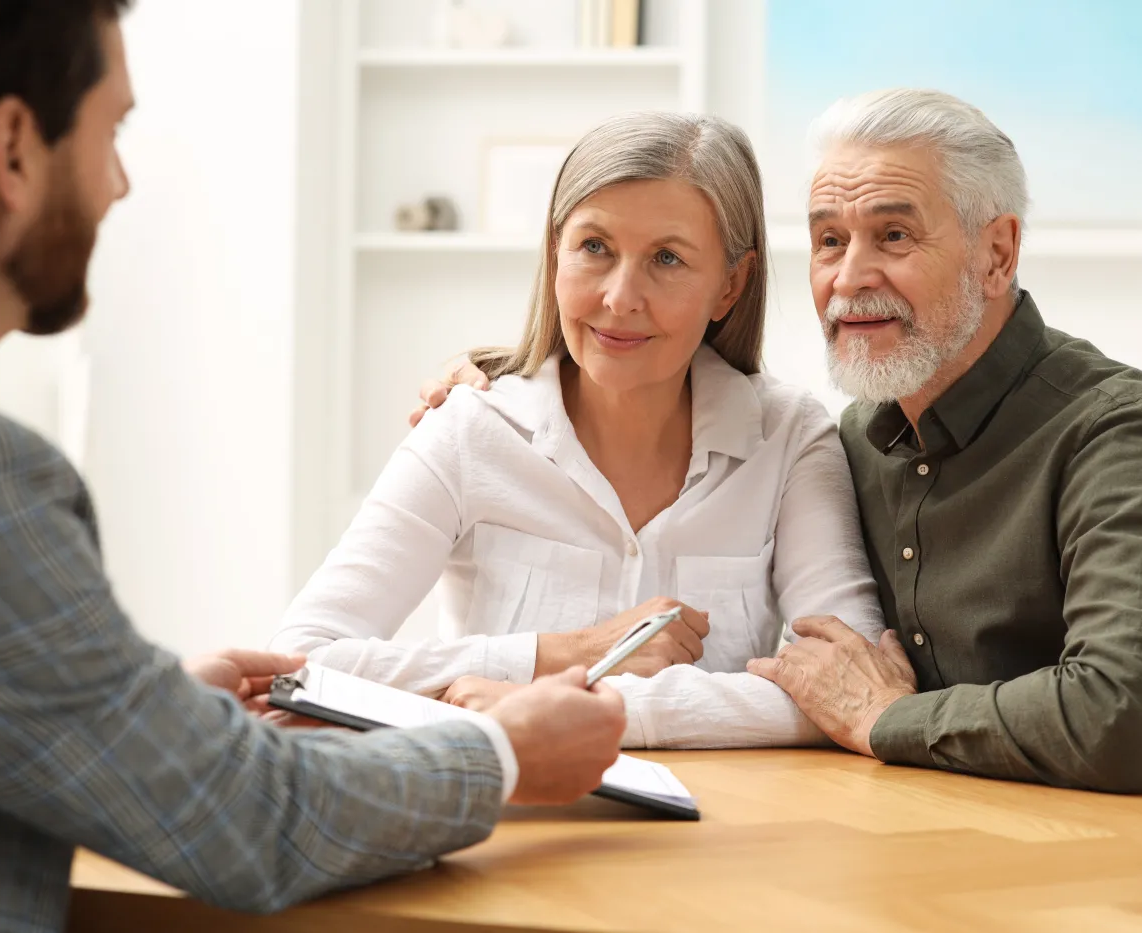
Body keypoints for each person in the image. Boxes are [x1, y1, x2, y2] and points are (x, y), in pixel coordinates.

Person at [0, 3, 626, 929]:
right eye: (111, 133)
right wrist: (499, 754)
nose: (119, 185)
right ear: (14, 147)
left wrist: (151, 707)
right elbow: (245, 818)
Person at [418, 89, 1142, 792]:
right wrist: (516, 372)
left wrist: (882, 720)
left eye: (894, 235)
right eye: (830, 240)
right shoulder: (853, 441)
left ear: (998, 254)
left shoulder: (1114, 428)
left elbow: (1125, 716)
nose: (849, 275)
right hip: (960, 826)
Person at [272, 112, 886, 750]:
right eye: (595, 248)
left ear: (729, 286)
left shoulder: (790, 441)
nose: (621, 297)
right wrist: (565, 653)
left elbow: (852, 686)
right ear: (555, 252)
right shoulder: (468, 430)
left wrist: (591, 704)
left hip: (725, 835)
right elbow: (301, 664)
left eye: (667, 259)